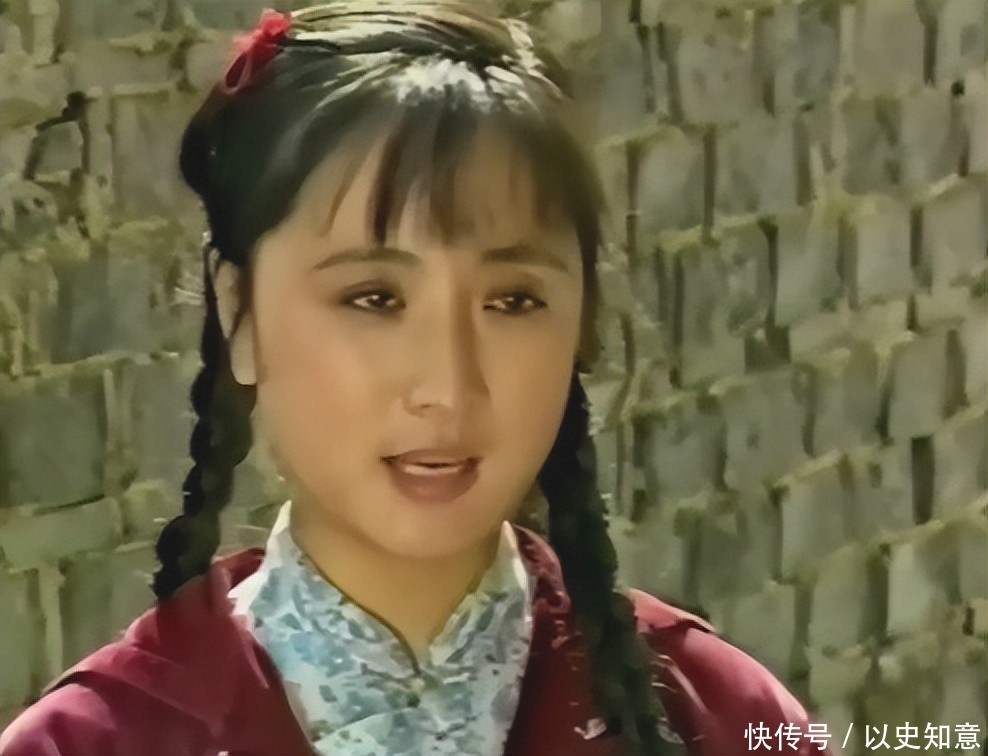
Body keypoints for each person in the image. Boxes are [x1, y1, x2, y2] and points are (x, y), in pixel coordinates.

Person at [0, 3, 831, 755]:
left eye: (512, 300)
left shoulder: (724, 720)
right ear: (239, 314)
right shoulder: (87, 745)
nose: (447, 387)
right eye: (374, 298)